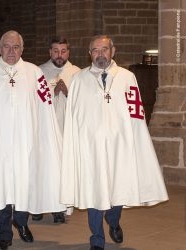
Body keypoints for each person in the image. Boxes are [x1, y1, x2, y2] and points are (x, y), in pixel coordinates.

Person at [60, 35, 168, 250]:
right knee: (93, 192)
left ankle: (113, 220)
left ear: (113, 51)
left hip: (120, 146)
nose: (100, 54)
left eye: (104, 49)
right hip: (90, 149)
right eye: (95, 50)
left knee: (118, 188)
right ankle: (97, 239)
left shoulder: (127, 77)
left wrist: (137, 141)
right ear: (89, 53)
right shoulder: (79, 80)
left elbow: (136, 114)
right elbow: (73, 117)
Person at [0, 30, 66, 250]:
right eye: (6, 46)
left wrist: (45, 140)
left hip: (26, 143)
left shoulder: (34, 73)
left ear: (22, 49)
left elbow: (45, 109)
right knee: (0, 190)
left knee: (25, 186)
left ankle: (21, 223)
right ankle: (4, 235)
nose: (11, 51)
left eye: (15, 47)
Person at [32, 37, 80, 223]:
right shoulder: (39, 72)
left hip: (67, 131)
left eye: (63, 51)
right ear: (49, 52)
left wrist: (68, 93)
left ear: (69, 52)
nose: (59, 55)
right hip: (45, 131)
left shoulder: (77, 73)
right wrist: (52, 93)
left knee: (62, 171)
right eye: (55, 51)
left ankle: (59, 209)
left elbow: (83, 104)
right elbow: (33, 101)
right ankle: (38, 206)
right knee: (43, 170)